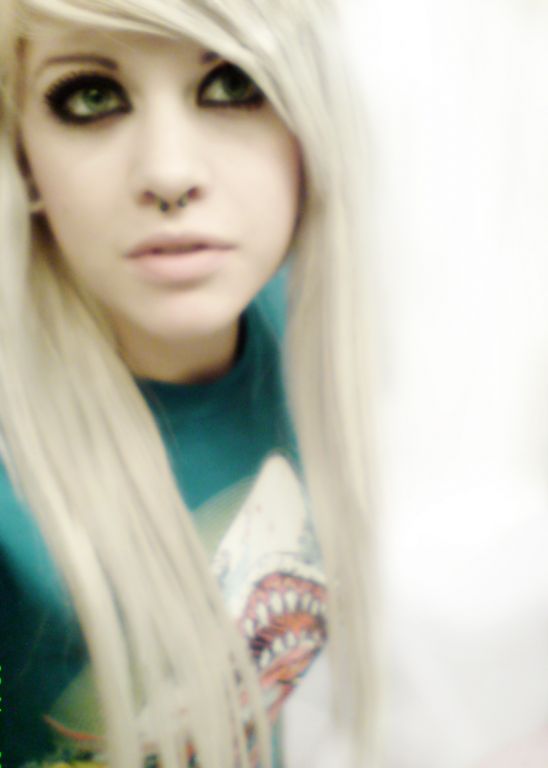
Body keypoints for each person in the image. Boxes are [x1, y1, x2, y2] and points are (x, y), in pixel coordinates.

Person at [0, 1, 376, 767]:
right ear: (24, 158)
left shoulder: (323, 345)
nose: (169, 175)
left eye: (234, 84)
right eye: (92, 96)